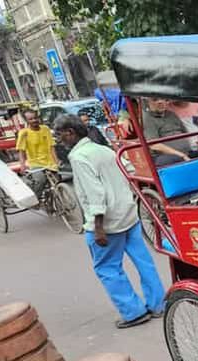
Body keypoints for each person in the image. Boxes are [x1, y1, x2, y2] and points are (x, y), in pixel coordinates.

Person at [54, 114, 165, 329]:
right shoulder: (104, 150)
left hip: (107, 222)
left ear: (70, 133)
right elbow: (129, 171)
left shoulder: (79, 157)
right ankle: (158, 303)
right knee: (144, 261)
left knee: (107, 268)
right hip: (128, 214)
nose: (59, 140)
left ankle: (133, 312)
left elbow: (95, 195)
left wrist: (98, 228)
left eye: (60, 135)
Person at [141, 98, 194, 166]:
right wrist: (181, 155)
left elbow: (185, 133)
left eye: (164, 99)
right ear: (148, 102)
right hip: (163, 156)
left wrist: (196, 143)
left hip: (186, 152)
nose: (161, 102)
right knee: (178, 159)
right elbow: (154, 145)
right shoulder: (148, 119)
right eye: (155, 100)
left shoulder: (172, 114)